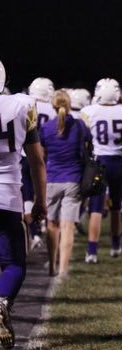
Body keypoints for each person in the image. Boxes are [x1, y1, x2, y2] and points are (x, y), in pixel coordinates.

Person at [0, 61, 47, 348]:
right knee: (15, 262)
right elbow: (36, 161)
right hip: (7, 195)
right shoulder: (21, 105)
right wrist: (40, 200)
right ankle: (3, 301)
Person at [80, 78, 122, 263]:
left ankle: (92, 251)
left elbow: (85, 141)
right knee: (116, 206)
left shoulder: (89, 112)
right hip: (118, 162)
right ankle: (115, 245)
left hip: (99, 162)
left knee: (96, 209)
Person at [40, 90, 91, 277]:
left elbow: (42, 155)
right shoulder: (79, 125)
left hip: (52, 179)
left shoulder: (46, 128)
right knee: (68, 226)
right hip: (73, 179)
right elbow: (88, 146)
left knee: (52, 225)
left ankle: (52, 266)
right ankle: (63, 270)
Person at [24, 77, 56, 249]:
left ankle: (33, 230)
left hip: (24, 154)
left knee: (27, 193)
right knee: (42, 191)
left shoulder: (24, 103)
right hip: (45, 155)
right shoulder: (53, 110)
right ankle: (42, 224)